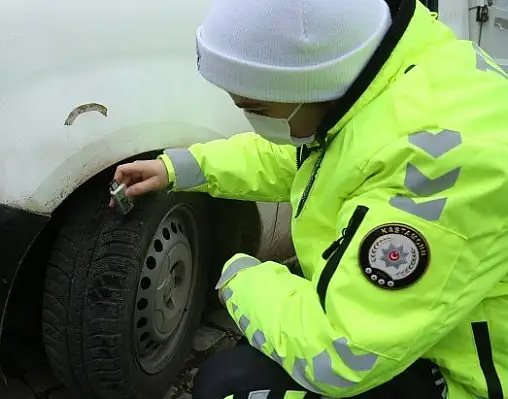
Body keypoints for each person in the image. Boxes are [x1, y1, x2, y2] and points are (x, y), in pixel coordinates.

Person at [112, 0, 508, 397]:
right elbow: (305, 155)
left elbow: (341, 354)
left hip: (466, 372)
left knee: (231, 387)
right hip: (426, 326)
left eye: (257, 107)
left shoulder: (436, 164)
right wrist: (181, 168)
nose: (250, 116)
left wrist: (241, 279)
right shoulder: (390, 72)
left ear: (312, 85)